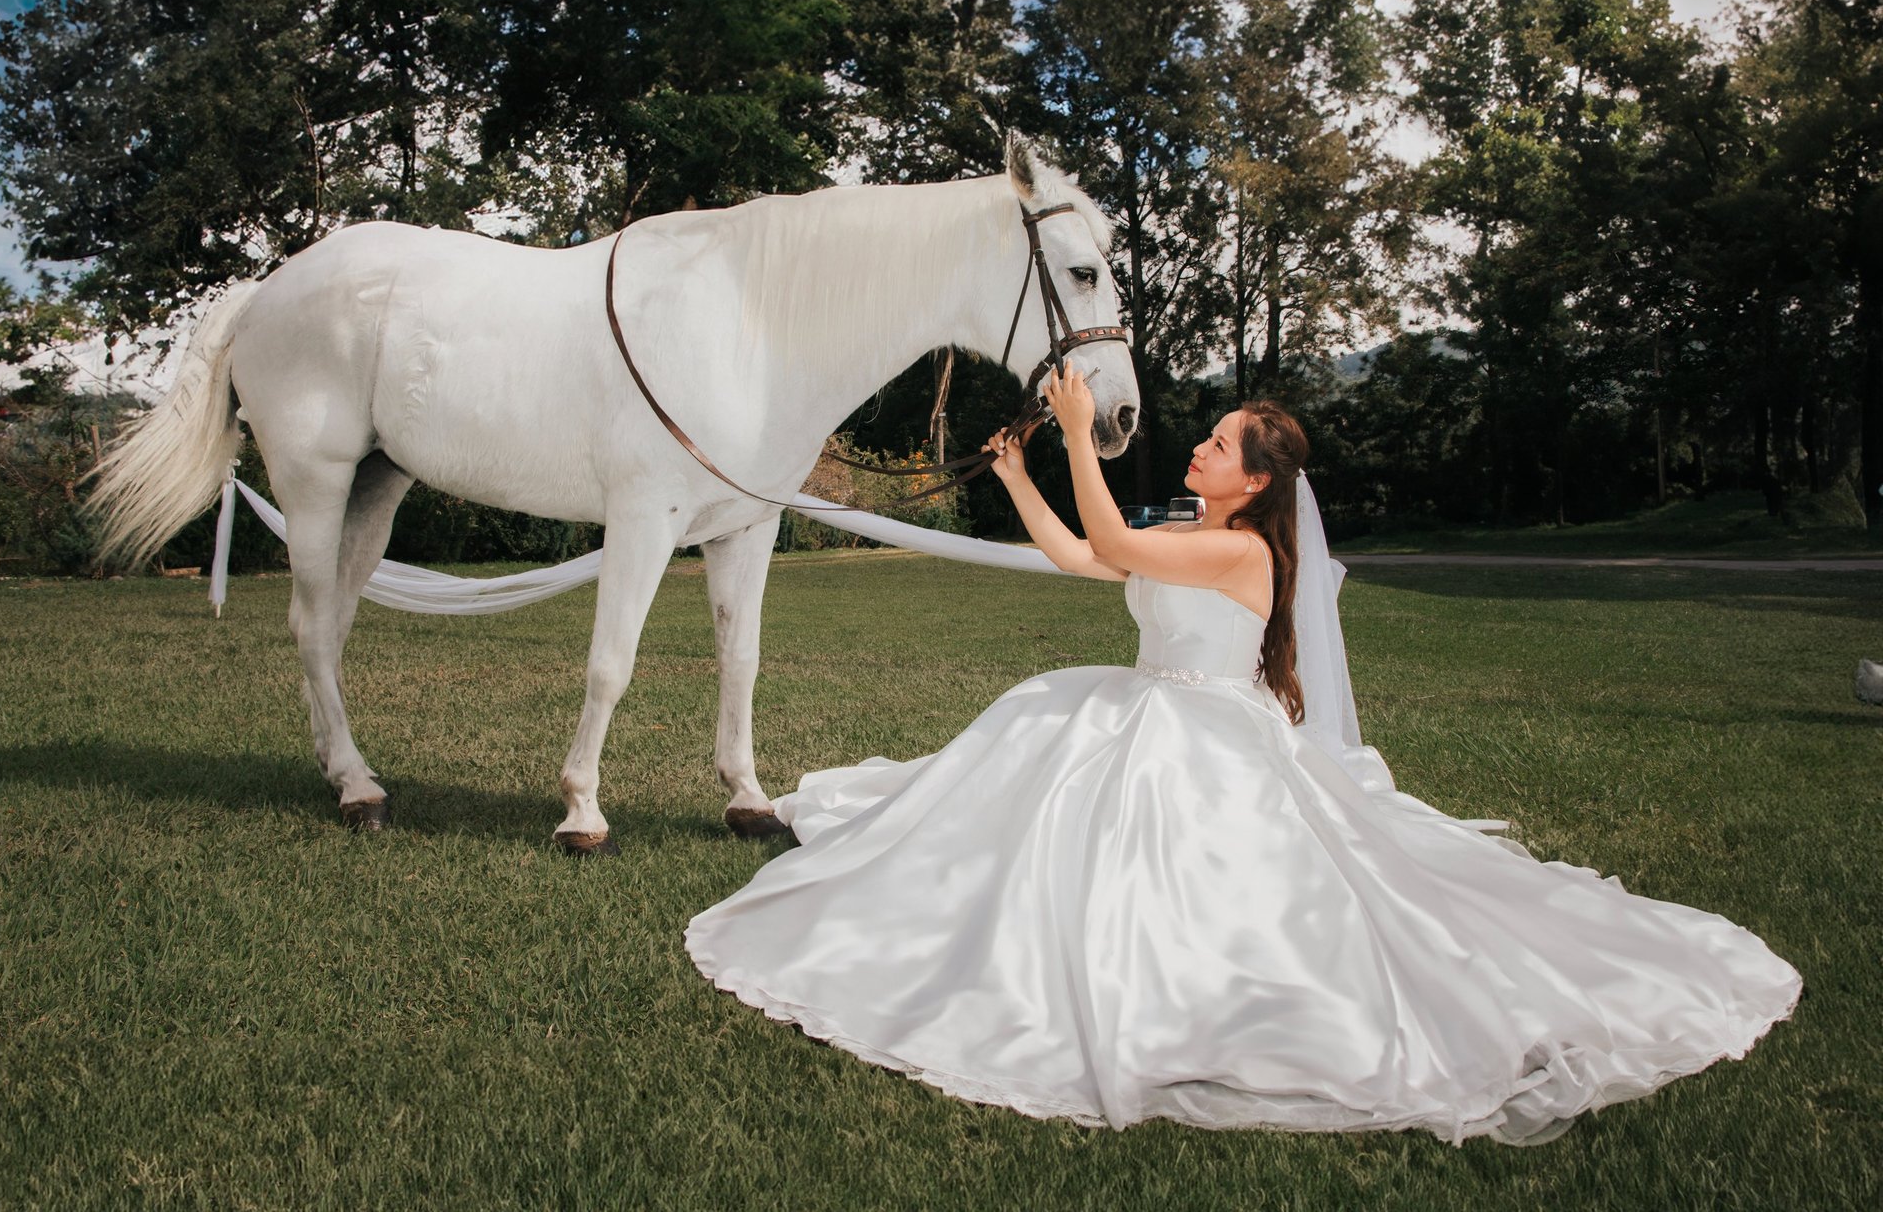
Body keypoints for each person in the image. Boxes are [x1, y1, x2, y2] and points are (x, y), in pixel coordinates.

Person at [685, 371, 1801, 1145]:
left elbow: (1116, 541)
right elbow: (1089, 558)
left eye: (1219, 444)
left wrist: (1078, 429)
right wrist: (1019, 471)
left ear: (1256, 482)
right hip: (1140, 705)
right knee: (1031, 757)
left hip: (1200, 734)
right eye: (1209, 437)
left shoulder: (1234, 550)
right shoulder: (1194, 533)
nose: (1202, 447)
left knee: (1159, 877)